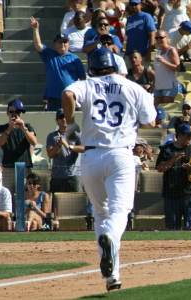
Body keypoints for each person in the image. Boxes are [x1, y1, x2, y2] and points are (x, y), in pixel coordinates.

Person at [62, 48, 156, 291]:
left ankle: (112, 276)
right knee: (120, 210)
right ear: (115, 66)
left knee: (101, 214)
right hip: (120, 154)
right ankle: (112, 240)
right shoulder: (132, 85)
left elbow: (68, 94)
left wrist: (71, 118)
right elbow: (151, 122)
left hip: (91, 155)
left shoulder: (87, 83)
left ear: (91, 68)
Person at [30, 17, 86, 111]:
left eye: (65, 42)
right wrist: (35, 30)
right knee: (53, 123)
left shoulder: (75, 59)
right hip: (54, 98)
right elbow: (38, 45)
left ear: (69, 44)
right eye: (60, 42)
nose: (62, 44)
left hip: (71, 96)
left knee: (71, 122)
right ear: (55, 44)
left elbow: (83, 79)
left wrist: (81, 96)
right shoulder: (49, 55)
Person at [156, 124, 191, 230]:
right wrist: (174, 159)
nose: (190, 139)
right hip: (171, 195)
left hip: (190, 193)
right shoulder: (166, 149)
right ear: (179, 136)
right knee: (172, 228)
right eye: (188, 136)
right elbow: (160, 168)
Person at [0, 99, 38, 194]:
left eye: (17, 112)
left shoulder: (27, 127)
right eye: (12, 112)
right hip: (8, 168)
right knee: (7, 195)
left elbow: (34, 142)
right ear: (7, 113)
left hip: (24, 168)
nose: (14, 115)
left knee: (23, 197)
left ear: (21, 114)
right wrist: (9, 129)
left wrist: (23, 128)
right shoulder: (2, 128)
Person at [46, 108, 84, 193]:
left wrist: (69, 146)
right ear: (57, 120)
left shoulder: (77, 135)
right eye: (61, 117)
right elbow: (50, 154)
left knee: (77, 203)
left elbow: (84, 148)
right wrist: (59, 144)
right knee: (54, 204)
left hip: (74, 176)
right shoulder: (52, 136)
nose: (64, 119)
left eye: (66, 116)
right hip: (57, 177)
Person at [153, 30, 180, 107]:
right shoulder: (158, 51)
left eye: (161, 37)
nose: (158, 40)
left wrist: (164, 61)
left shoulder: (171, 50)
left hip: (169, 85)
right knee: (156, 109)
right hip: (158, 85)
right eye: (156, 38)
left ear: (166, 38)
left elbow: (177, 68)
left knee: (165, 109)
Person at [125, 0, 156, 65]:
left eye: (135, 4)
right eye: (132, 5)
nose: (133, 6)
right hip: (130, 53)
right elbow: (128, 36)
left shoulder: (146, 16)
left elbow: (152, 35)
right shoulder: (129, 19)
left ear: (140, 5)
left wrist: (149, 52)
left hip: (143, 53)